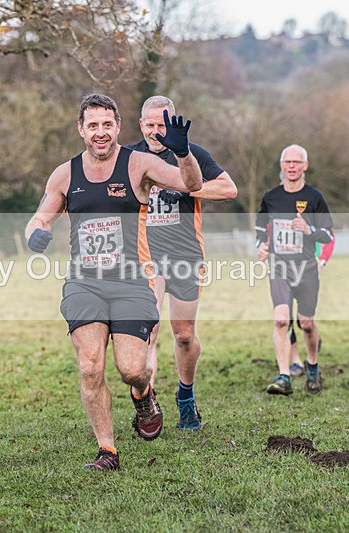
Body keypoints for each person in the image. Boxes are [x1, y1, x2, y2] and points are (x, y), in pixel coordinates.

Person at [25, 93, 203, 470]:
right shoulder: (65, 174)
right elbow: (40, 218)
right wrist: (36, 234)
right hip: (84, 284)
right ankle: (108, 450)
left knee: (132, 369)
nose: (100, 133)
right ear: (81, 129)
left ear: (118, 126)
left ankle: (143, 394)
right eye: (93, 126)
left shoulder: (139, 164)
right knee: (90, 366)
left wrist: (184, 153)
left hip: (131, 283)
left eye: (107, 125)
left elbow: (191, 184)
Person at [125, 95, 237, 431]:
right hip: (147, 255)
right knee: (149, 329)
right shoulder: (129, 157)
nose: (155, 131)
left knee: (184, 334)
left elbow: (228, 189)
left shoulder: (190, 153)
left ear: (171, 122)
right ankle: (147, 402)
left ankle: (185, 397)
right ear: (140, 124)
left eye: (161, 124)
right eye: (149, 124)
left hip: (186, 253)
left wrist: (188, 189)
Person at [255, 144, 334, 395]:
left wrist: (309, 231)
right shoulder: (270, 198)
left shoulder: (315, 198)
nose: (291, 166)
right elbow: (260, 230)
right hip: (280, 267)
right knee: (281, 320)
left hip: (307, 268)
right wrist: (262, 247)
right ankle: (284, 376)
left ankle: (311, 365)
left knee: (306, 323)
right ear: (281, 166)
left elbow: (328, 235)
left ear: (304, 166)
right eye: (287, 162)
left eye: (296, 163)